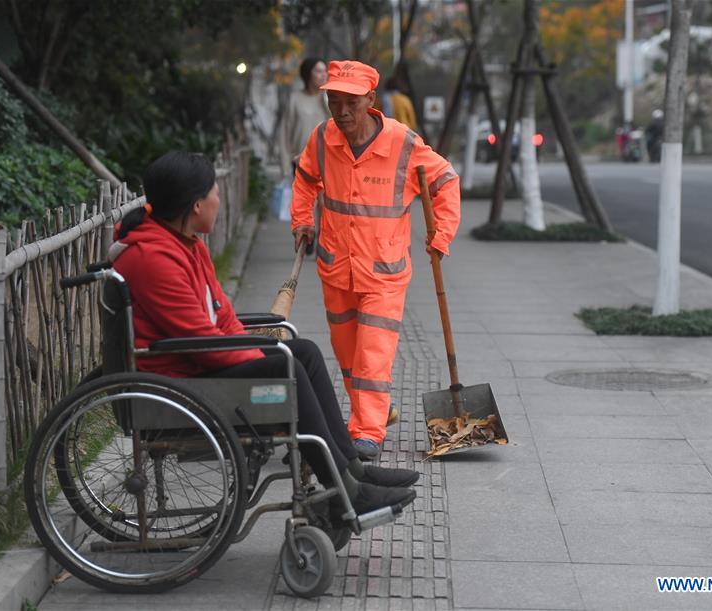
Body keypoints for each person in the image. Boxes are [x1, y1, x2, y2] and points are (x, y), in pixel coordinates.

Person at [110, 151, 419, 515]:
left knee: (302, 352)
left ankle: (351, 469)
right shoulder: (153, 259)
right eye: (214, 193)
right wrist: (260, 356)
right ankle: (344, 491)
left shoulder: (183, 241)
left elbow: (220, 313)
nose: (218, 200)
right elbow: (201, 343)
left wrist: (256, 347)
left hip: (194, 363)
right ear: (195, 205)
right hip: (178, 380)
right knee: (287, 367)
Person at [290, 60, 461, 461]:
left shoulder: (403, 143)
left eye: (351, 102)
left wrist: (442, 234)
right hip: (336, 267)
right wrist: (302, 220)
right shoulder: (321, 139)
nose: (342, 111)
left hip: (384, 272)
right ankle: (378, 409)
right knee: (348, 357)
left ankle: (366, 432)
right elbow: (304, 178)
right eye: (334, 101)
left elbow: (445, 180)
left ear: (371, 99)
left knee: (372, 353)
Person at [282, 57, 332, 177]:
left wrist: (325, 98)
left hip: (327, 161)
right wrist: (285, 164)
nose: (323, 75)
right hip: (300, 161)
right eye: (318, 71)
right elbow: (285, 132)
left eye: (325, 71)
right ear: (307, 74)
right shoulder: (294, 99)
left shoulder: (329, 98)